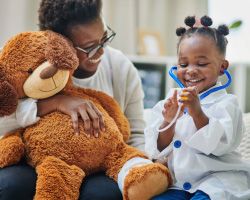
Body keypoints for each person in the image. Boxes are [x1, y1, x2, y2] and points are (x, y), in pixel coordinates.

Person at [0, 0, 145, 199]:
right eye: (90, 47)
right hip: (39, 160)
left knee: (103, 195)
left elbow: (136, 133)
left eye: (104, 38)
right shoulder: (26, 61)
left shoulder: (120, 67)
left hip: (101, 163)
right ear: (58, 41)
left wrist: (136, 167)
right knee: (10, 184)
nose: (102, 51)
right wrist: (53, 103)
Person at [145, 15, 250, 200]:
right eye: (183, 64)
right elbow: (158, 149)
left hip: (216, 180)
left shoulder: (228, 104)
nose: (191, 70)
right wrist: (168, 122)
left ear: (222, 67)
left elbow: (219, 146)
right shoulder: (171, 99)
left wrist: (197, 112)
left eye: (201, 64)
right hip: (177, 184)